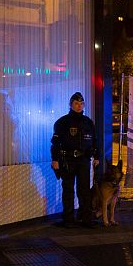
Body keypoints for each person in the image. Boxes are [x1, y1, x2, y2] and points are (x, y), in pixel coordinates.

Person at [51, 92, 99, 228]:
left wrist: (97, 156)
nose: (79, 106)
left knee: (84, 190)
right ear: (71, 105)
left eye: (81, 104)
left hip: (84, 160)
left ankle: (86, 219)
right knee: (68, 190)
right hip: (68, 160)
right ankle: (69, 220)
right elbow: (55, 143)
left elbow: (94, 140)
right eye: (76, 104)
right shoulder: (62, 122)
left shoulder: (88, 122)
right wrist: (55, 160)